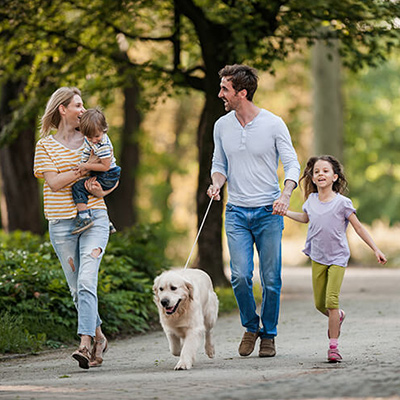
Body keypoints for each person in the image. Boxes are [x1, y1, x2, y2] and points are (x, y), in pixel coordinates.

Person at [207, 64, 300, 358]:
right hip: (236, 212)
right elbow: (219, 164)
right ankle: (251, 326)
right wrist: (216, 184)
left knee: (271, 279)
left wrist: (285, 195)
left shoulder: (273, 124)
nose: (220, 93)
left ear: (242, 93)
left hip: (268, 212)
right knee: (239, 275)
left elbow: (292, 164)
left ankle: (268, 334)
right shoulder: (222, 125)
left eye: (225, 89)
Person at [34, 87, 115, 369]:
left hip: (94, 218)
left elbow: (111, 171)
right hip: (60, 223)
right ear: (62, 109)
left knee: (85, 281)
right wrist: (84, 170)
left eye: (83, 105)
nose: (83, 110)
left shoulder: (94, 136)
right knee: (75, 288)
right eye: (78, 105)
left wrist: (103, 191)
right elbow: (54, 183)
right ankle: (99, 337)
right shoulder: (45, 145)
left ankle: (84, 343)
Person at [284, 155, 387, 362]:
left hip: (338, 258)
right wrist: (285, 212)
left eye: (325, 171)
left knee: (331, 301)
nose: (320, 174)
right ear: (312, 179)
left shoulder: (342, 203)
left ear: (334, 177)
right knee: (319, 304)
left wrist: (375, 249)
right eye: (316, 172)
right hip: (317, 256)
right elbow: (305, 218)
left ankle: (333, 348)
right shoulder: (311, 201)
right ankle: (338, 316)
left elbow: (358, 227)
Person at [71, 108, 121, 235]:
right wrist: (82, 164)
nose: (93, 140)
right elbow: (87, 151)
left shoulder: (103, 145)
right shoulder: (91, 138)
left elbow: (105, 166)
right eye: (89, 137)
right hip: (102, 172)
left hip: (108, 174)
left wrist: (86, 166)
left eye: (97, 136)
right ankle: (106, 222)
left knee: (78, 187)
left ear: (104, 129)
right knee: (91, 189)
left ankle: (84, 218)